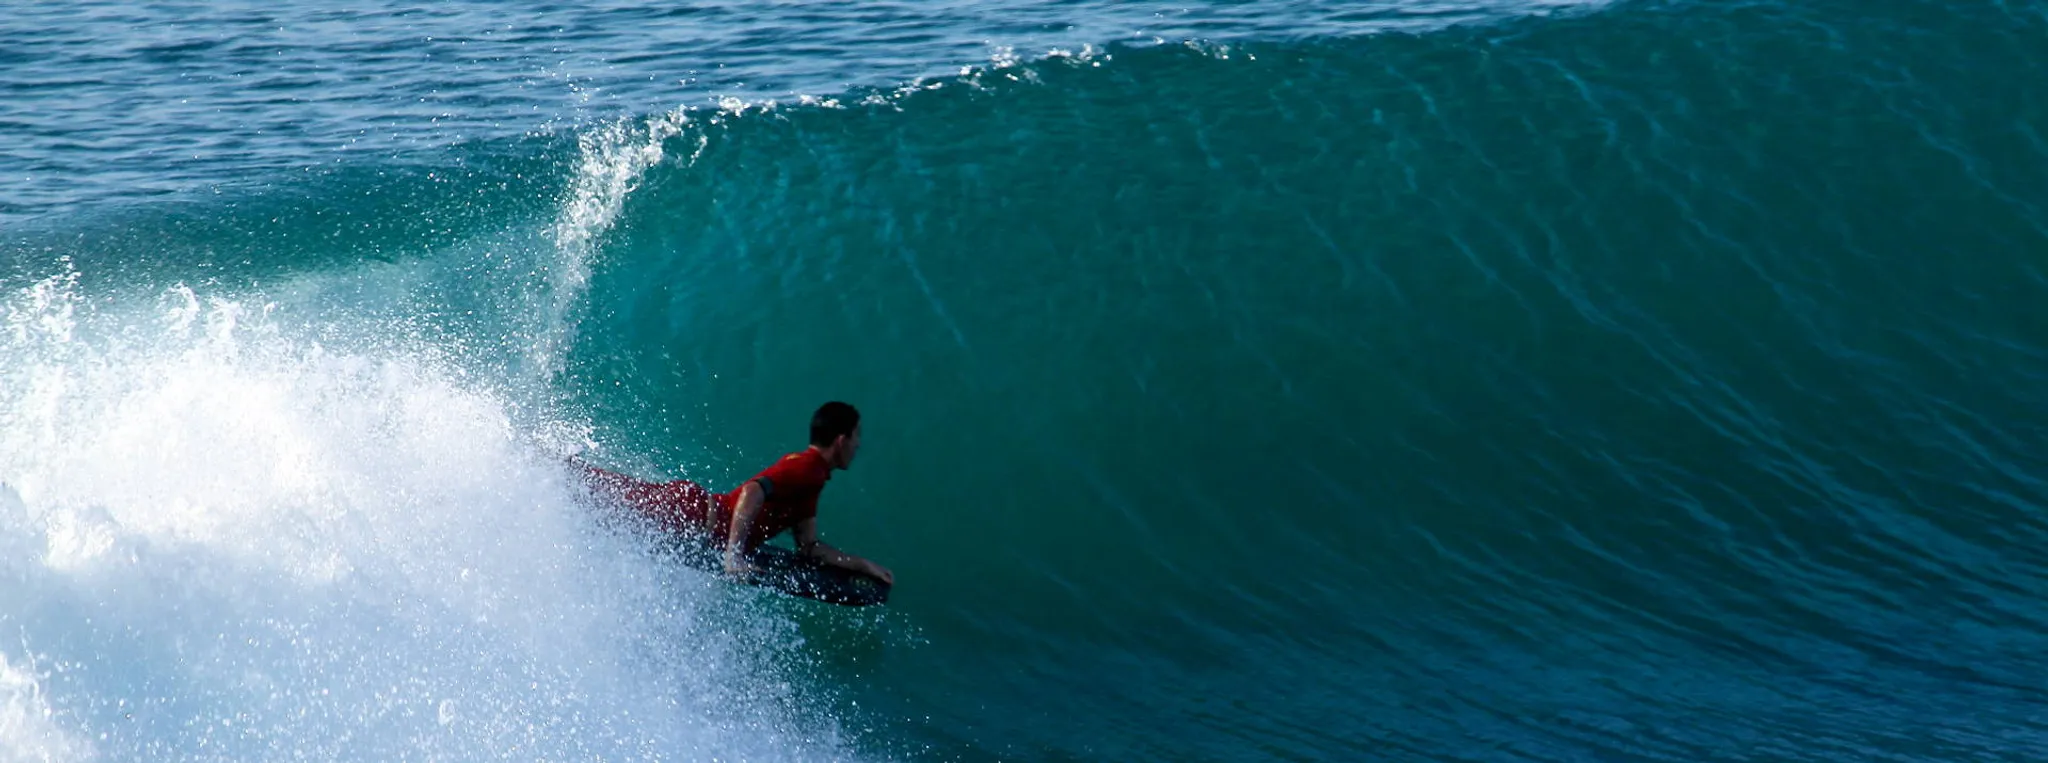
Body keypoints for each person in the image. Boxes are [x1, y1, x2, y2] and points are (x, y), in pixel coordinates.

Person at [574, 401, 894, 586]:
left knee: (595, 501)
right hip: (689, 513)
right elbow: (753, 492)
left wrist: (860, 565)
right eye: (857, 436)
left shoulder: (814, 479)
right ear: (841, 440)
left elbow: (809, 547)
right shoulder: (806, 469)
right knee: (590, 495)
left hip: (692, 518)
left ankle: (549, 470)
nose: (859, 444)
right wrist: (734, 555)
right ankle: (539, 466)